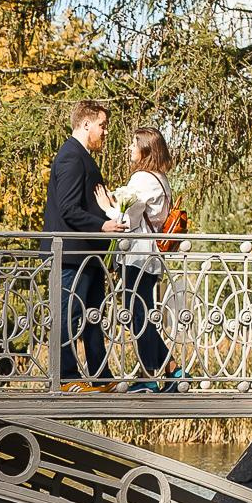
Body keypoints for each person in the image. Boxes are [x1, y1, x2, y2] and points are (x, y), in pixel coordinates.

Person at [43, 101, 125, 384]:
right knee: (69, 315)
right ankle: (66, 377)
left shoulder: (81, 156)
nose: (105, 132)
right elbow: (68, 208)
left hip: (87, 255)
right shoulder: (71, 156)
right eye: (102, 125)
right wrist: (103, 225)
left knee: (93, 316)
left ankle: (101, 377)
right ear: (86, 124)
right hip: (71, 254)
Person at [107, 127, 185, 391]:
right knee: (142, 312)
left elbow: (126, 219)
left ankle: (151, 374)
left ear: (145, 150)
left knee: (137, 314)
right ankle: (170, 370)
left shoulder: (142, 178)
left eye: (134, 144)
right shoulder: (161, 179)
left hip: (137, 256)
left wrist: (107, 204)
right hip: (151, 257)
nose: (130, 148)